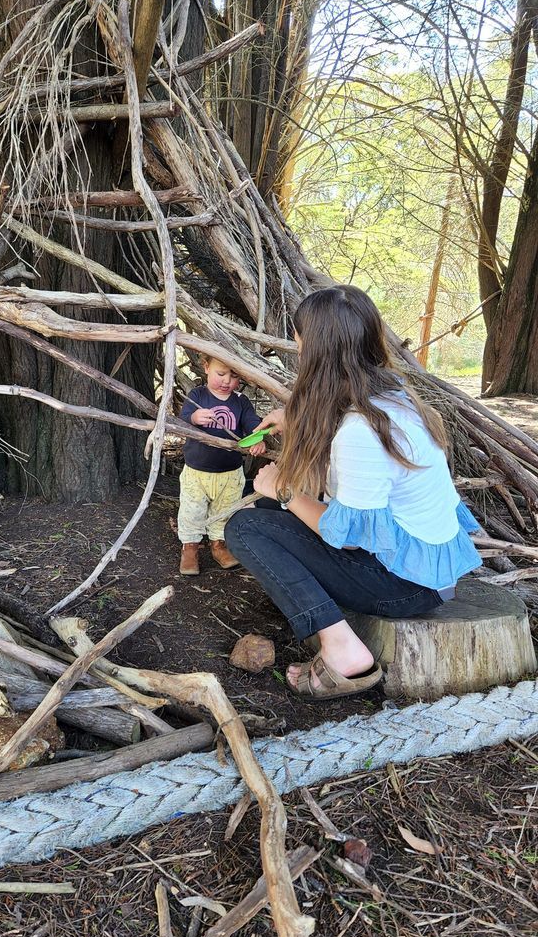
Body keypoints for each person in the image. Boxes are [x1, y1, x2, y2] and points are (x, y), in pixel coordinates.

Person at [224, 284, 482, 700]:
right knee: (273, 510)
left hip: (405, 585)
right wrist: (291, 419)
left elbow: (342, 536)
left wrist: (284, 490)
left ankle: (341, 647)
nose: (296, 343)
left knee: (247, 527)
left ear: (316, 348)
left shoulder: (361, 432)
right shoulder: (393, 397)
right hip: (424, 565)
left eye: (300, 336)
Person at [178, 355, 266, 575]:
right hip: (197, 471)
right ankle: (190, 547)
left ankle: (218, 544)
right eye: (221, 374)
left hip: (230, 472)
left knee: (225, 509)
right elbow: (183, 417)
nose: (227, 381)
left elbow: (252, 423)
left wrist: (258, 438)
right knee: (192, 510)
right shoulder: (198, 395)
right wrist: (195, 417)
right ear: (206, 367)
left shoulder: (241, 401)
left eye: (234, 376)